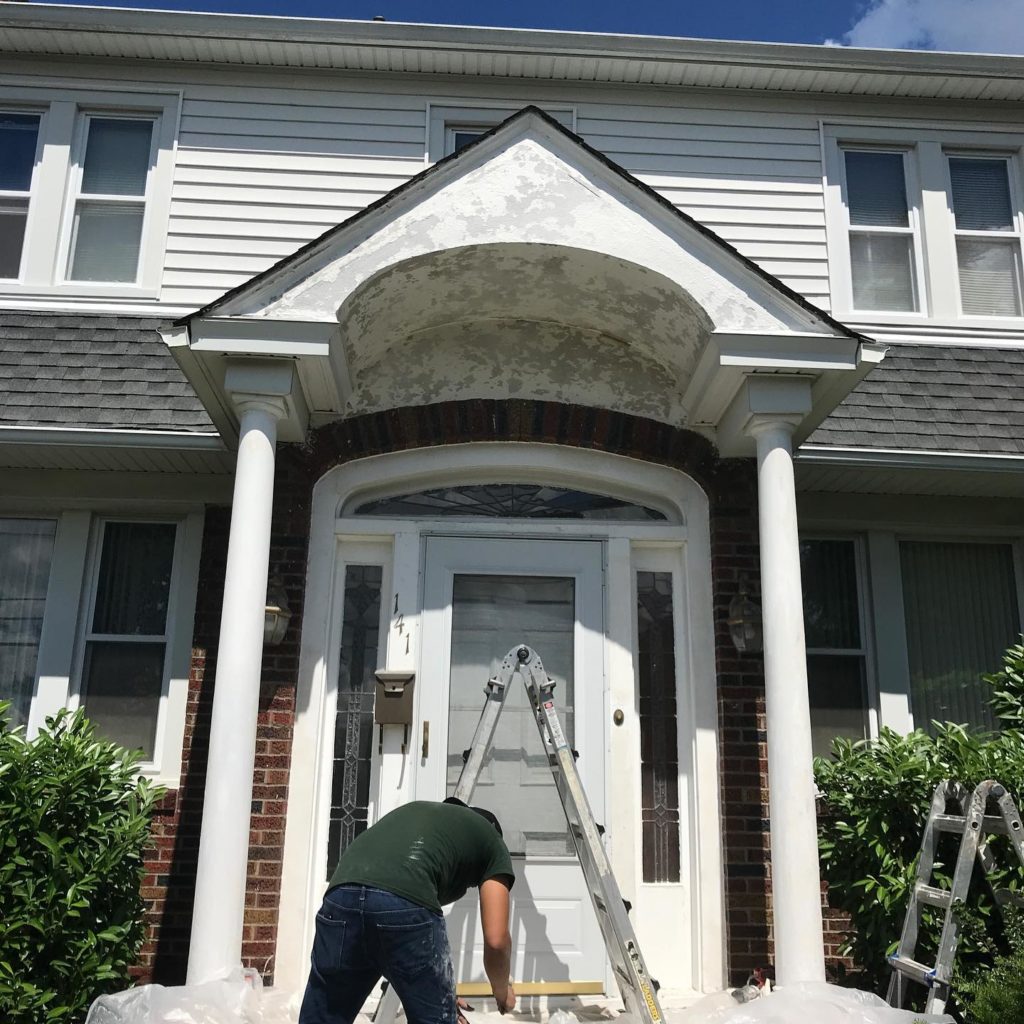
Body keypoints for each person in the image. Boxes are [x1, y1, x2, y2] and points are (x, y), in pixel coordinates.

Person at [298, 796, 516, 1024]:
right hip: (404, 899)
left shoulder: (422, 816)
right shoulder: (492, 840)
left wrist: (437, 991)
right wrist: (502, 992)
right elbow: (496, 940)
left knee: (322, 1017)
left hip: (340, 896)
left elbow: (383, 926)